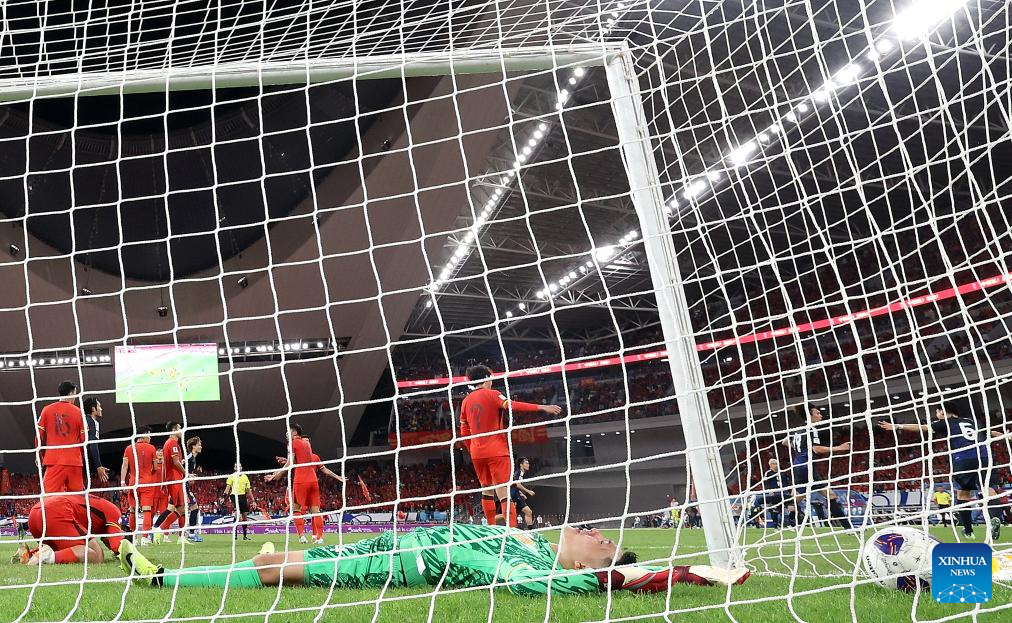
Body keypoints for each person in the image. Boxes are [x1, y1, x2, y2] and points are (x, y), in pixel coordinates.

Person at [119, 523, 751, 594]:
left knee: (272, 570)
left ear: (585, 565)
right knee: (284, 554)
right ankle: (165, 570)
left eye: (599, 540)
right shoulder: (528, 539)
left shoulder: (537, 568)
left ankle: (164, 577)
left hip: (406, 564)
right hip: (397, 540)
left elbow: (536, 586)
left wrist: (684, 571)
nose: (591, 533)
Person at [880, 400, 1005, 539]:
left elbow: (923, 427)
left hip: (963, 459)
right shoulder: (971, 422)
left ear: (943, 412)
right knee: (989, 490)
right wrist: (1007, 436)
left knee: (963, 495)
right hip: (985, 457)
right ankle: (996, 517)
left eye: (937, 412)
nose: (936, 414)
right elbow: (991, 432)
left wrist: (898, 426)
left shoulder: (946, 423)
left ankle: (968, 530)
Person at [459, 365, 561, 527]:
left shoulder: (465, 401)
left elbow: (464, 431)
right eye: (491, 378)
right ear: (486, 378)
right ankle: (512, 532)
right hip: (497, 451)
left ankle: (491, 529)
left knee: (486, 489)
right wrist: (541, 407)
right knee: (504, 493)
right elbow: (512, 405)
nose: (492, 381)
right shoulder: (493, 394)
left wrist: (472, 448)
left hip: (477, 453)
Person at [782, 405, 851, 528]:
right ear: (810, 415)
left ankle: (787, 522)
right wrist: (839, 448)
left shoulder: (797, 430)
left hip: (798, 466)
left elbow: (784, 442)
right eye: (818, 413)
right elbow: (816, 449)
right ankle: (848, 527)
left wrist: (799, 449)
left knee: (796, 498)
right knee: (830, 495)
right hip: (807, 467)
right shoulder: (811, 429)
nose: (821, 415)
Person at [17, 494, 124, 565]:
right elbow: (116, 544)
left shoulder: (98, 505)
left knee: (64, 550)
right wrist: (125, 553)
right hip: (56, 511)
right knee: (97, 556)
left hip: (35, 512)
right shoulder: (115, 512)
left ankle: (29, 555)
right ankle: (46, 557)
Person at [267, 424, 323, 544]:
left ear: (294, 432)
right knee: (316, 510)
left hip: (301, 479)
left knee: (296, 508)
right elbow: (298, 460)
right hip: (313, 480)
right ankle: (319, 538)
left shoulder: (292, 443)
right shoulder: (306, 444)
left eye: (288, 432)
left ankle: (302, 536)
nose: (286, 434)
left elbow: (291, 463)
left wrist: (276, 475)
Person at [36, 380, 86, 494]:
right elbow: (84, 440)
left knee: (48, 497)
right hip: (74, 462)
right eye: (75, 394)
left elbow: (38, 436)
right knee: (77, 498)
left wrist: (39, 455)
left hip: (54, 461)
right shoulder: (79, 412)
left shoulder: (46, 410)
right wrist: (80, 456)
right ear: (71, 393)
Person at [120, 427, 158, 544]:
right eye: (149, 435)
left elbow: (124, 466)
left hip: (133, 483)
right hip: (146, 482)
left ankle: (134, 538)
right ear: (144, 435)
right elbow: (155, 467)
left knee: (133, 509)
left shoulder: (128, 448)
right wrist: (149, 474)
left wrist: (122, 482)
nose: (150, 437)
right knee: (147, 510)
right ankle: (144, 538)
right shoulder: (151, 448)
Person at [154, 422, 188, 543]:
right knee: (182, 508)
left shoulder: (169, 443)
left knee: (181, 508)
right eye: (180, 428)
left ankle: (180, 537)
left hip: (173, 479)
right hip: (175, 479)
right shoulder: (172, 443)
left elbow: (166, 464)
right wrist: (186, 474)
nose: (181, 430)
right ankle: (160, 529)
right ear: (174, 430)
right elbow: (175, 462)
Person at [82, 396, 110, 489]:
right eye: (99, 406)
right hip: (74, 459)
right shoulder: (92, 422)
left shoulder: (83, 419)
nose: (101, 409)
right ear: (93, 409)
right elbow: (93, 444)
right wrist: (99, 466)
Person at [751, 459, 789, 528]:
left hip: (783, 493)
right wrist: (769, 490)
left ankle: (788, 524)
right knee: (773, 508)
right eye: (774, 464)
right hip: (773, 494)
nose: (776, 465)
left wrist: (788, 491)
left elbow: (786, 483)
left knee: (786, 508)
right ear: (770, 465)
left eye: (776, 464)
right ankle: (759, 522)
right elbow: (765, 483)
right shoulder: (768, 473)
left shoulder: (782, 472)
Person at [225, 463, 253, 541]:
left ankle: (245, 536)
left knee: (244, 516)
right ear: (234, 468)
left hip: (242, 496)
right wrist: (223, 496)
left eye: (239, 466)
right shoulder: (231, 476)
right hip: (234, 496)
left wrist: (253, 500)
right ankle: (235, 535)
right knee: (237, 515)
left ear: (241, 467)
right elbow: (227, 488)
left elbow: (248, 490)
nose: (238, 467)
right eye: (236, 466)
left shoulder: (245, 477)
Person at [184, 437, 203, 542]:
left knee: (193, 509)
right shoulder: (189, 457)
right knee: (193, 509)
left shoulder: (193, 459)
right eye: (199, 444)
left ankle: (157, 528)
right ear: (193, 446)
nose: (201, 446)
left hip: (185, 486)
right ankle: (157, 528)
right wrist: (188, 475)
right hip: (181, 486)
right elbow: (178, 467)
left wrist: (190, 477)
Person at [510, 457, 536, 530]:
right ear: (521, 465)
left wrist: (521, 493)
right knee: (508, 514)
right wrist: (528, 491)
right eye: (526, 463)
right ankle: (490, 521)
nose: (528, 465)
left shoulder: (521, 474)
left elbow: (515, 485)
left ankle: (530, 531)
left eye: (528, 463)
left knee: (528, 512)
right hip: (512, 495)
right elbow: (517, 484)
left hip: (517, 495)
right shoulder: (518, 473)